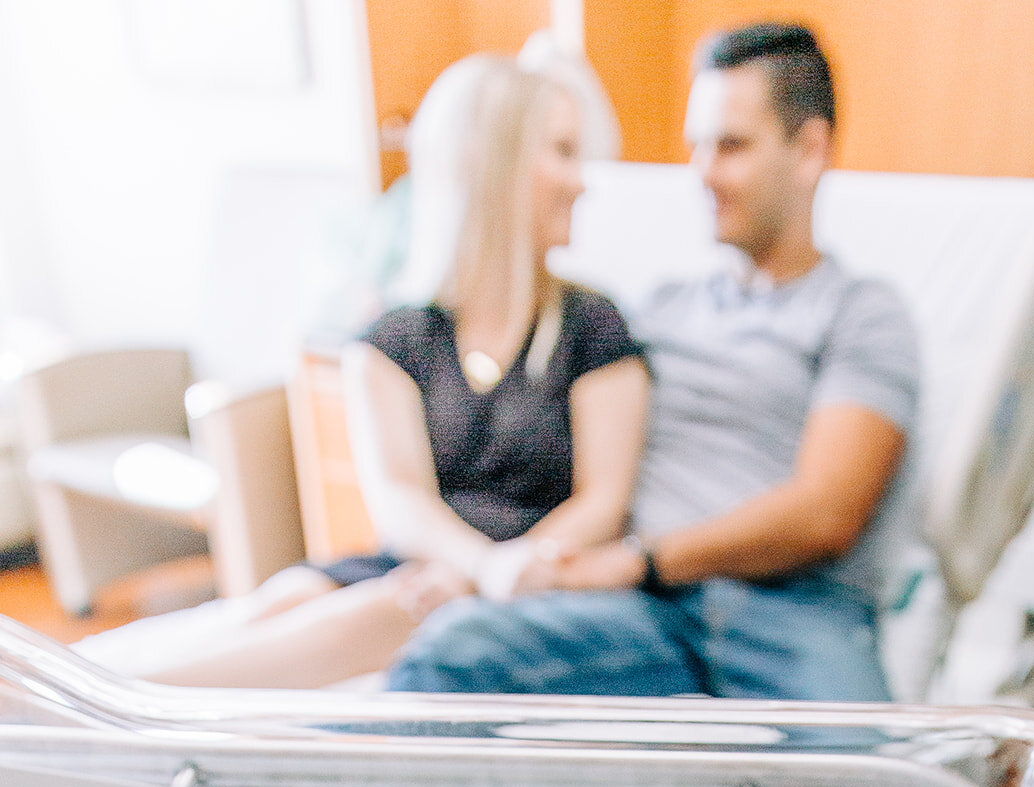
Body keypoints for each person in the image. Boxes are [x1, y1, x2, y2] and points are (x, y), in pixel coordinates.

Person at [231, 22, 941, 787]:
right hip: (649, 614)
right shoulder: (656, 308)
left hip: (792, 615)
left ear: (811, 148)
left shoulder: (863, 314)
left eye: (731, 145)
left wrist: (638, 558)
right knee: (460, 646)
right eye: (695, 144)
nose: (701, 171)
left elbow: (827, 510)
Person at [131, 52, 647, 689]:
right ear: (495, 164)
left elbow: (605, 501)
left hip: (539, 576)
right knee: (289, 594)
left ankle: (123, 704)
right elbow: (400, 501)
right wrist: (476, 565)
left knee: (386, 611)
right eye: (563, 152)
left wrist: (503, 574)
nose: (581, 181)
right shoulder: (394, 340)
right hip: (433, 560)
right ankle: (74, 687)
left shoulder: (595, 328)